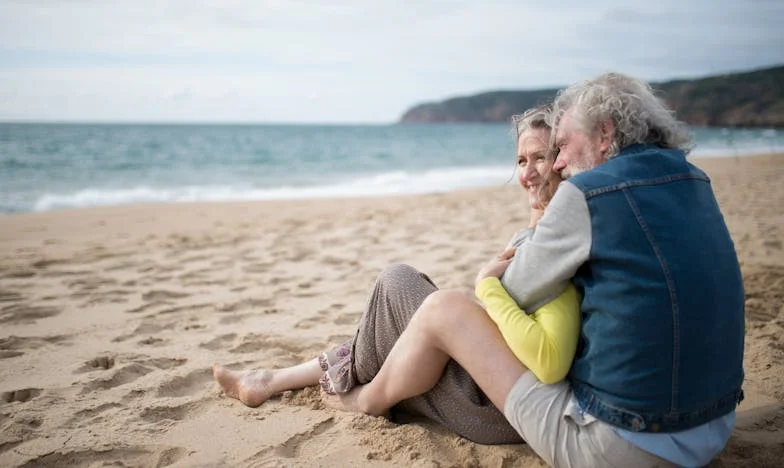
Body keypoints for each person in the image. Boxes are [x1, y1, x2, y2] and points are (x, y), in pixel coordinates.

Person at [318, 73, 745, 468]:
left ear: (605, 133)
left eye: (562, 144)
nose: (558, 165)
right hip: (712, 426)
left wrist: (487, 278)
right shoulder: (694, 180)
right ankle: (334, 369)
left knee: (445, 308)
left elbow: (517, 289)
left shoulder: (588, 194)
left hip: (627, 444)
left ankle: (364, 399)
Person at [213, 105, 580, 445]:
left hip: (495, 406)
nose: (527, 173)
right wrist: (540, 206)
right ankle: (271, 380)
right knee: (398, 306)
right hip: (484, 384)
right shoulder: (537, 233)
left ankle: (314, 387)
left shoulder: (554, 244)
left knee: (397, 284)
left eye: (540, 158)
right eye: (520, 160)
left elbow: (543, 353)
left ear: (561, 161)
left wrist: (486, 285)